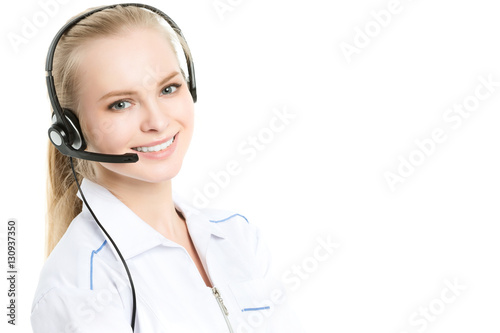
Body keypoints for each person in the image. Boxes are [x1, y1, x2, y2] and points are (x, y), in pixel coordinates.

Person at [31, 4, 303, 333]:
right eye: (121, 103)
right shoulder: (80, 283)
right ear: (70, 132)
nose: (158, 122)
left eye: (168, 88)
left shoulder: (238, 235)